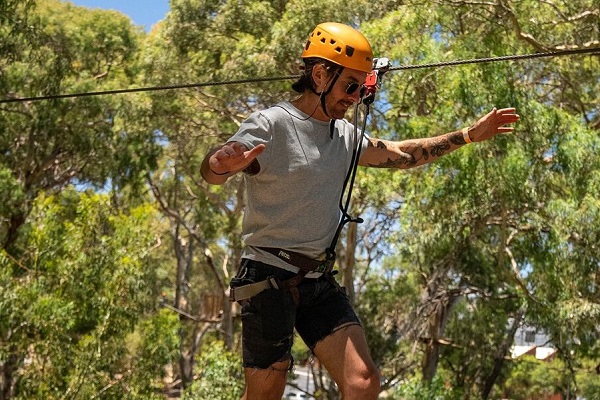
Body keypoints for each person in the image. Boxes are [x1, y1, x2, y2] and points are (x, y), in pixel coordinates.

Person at [201, 22, 519, 400]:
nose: (355, 97)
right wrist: (221, 164)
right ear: (319, 74)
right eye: (350, 85)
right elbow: (214, 171)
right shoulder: (272, 124)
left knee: (363, 381)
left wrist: (467, 135)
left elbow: (402, 155)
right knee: (267, 391)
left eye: (362, 87)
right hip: (267, 276)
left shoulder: (347, 136)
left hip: (316, 278)